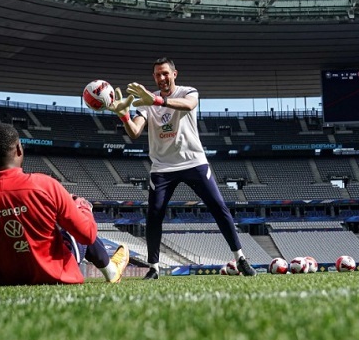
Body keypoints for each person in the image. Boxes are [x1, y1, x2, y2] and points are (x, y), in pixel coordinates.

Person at [106, 57, 257, 279]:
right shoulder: (147, 102)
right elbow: (135, 132)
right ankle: (154, 268)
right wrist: (124, 115)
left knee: (218, 207)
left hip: (193, 161)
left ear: (175, 74)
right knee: (154, 214)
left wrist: (157, 101)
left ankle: (240, 258)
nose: (161, 78)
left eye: (165, 73)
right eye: (157, 74)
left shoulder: (188, 92)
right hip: (162, 167)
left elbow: (189, 105)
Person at [0, 123, 129, 286]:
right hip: (53, 274)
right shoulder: (45, 185)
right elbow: (87, 235)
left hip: (0, 278)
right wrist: (83, 207)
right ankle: (111, 271)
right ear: (20, 150)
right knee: (76, 223)